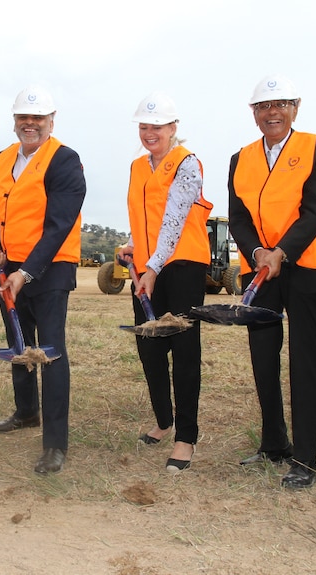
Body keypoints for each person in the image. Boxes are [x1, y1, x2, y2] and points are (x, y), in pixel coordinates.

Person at [228, 75, 316, 489]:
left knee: (304, 360)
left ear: (295, 107)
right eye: (263, 106)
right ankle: (274, 443)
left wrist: (281, 252)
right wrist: (258, 253)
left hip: (305, 264)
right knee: (262, 357)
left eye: (281, 104)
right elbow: (237, 216)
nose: (272, 112)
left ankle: (305, 459)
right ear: (254, 113)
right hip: (260, 269)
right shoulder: (241, 158)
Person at [0, 85, 86, 474]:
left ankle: (55, 445)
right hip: (10, 270)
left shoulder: (64, 160)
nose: (30, 124)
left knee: (49, 352)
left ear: (51, 121)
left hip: (51, 269)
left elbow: (59, 225)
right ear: (15, 121)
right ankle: (26, 412)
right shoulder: (1, 158)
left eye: (37, 118)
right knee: (18, 344)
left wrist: (26, 272)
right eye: (23, 118)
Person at [118, 92, 213, 474]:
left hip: (182, 267)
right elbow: (143, 216)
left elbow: (173, 222)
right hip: (147, 268)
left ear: (174, 128)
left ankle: (185, 437)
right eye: (144, 126)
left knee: (185, 354)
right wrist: (132, 248)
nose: (149, 133)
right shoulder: (138, 167)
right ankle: (163, 421)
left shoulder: (187, 164)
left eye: (157, 126)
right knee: (150, 349)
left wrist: (153, 267)